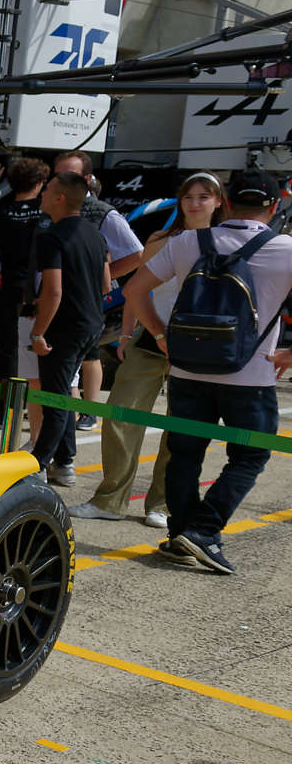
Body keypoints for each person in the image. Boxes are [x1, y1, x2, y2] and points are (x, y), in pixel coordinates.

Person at [123, 169, 292, 574]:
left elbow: (133, 289)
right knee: (250, 454)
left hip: (188, 371)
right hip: (251, 375)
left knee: (184, 454)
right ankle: (203, 530)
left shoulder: (186, 242)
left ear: (227, 203)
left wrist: (161, 334)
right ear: (274, 207)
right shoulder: (285, 248)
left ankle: (181, 534)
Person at [73, 173, 226, 529]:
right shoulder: (160, 239)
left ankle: (162, 503)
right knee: (121, 414)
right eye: (189, 196)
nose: (195, 203)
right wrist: (127, 334)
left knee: (180, 426)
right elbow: (138, 289)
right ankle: (110, 499)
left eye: (205, 196)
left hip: (198, 344)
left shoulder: (225, 243)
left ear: (219, 202)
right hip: (149, 336)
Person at [53, 151, 144, 435]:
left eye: (71, 174)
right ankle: (62, 410)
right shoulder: (50, 207)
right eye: (58, 174)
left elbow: (136, 254)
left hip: (88, 298)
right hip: (55, 294)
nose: (63, 180)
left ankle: (88, 412)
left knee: (88, 353)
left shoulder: (103, 212)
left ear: (88, 179)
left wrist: (94, 279)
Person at [27, 173, 110, 484]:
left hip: (63, 326)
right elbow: (105, 283)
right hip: (91, 323)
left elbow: (53, 291)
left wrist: (38, 332)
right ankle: (64, 461)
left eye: (47, 189)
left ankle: (40, 463)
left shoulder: (52, 237)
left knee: (55, 397)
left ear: (60, 198)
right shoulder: (95, 234)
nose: (43, 194)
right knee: (63, 391)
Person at [0, 157, 51, 426]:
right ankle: (38, 408)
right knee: (41, 352)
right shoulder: (48, 209)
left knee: (9, 352)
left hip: (9, 291)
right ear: (41, 183)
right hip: (42, 289)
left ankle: (5, 410)